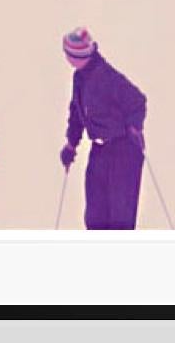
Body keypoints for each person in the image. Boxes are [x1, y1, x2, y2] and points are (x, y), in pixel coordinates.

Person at [59, 27, 148, 229]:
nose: (66, 57)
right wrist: (71, 145)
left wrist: (135, 127)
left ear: (79, 55)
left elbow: (137, 101)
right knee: (95, 216)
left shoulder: (108, 77)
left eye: (68, 53)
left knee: (120, 216)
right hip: (100, 150)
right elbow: (76, 112)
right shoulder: (79, 77)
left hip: (124, 151)